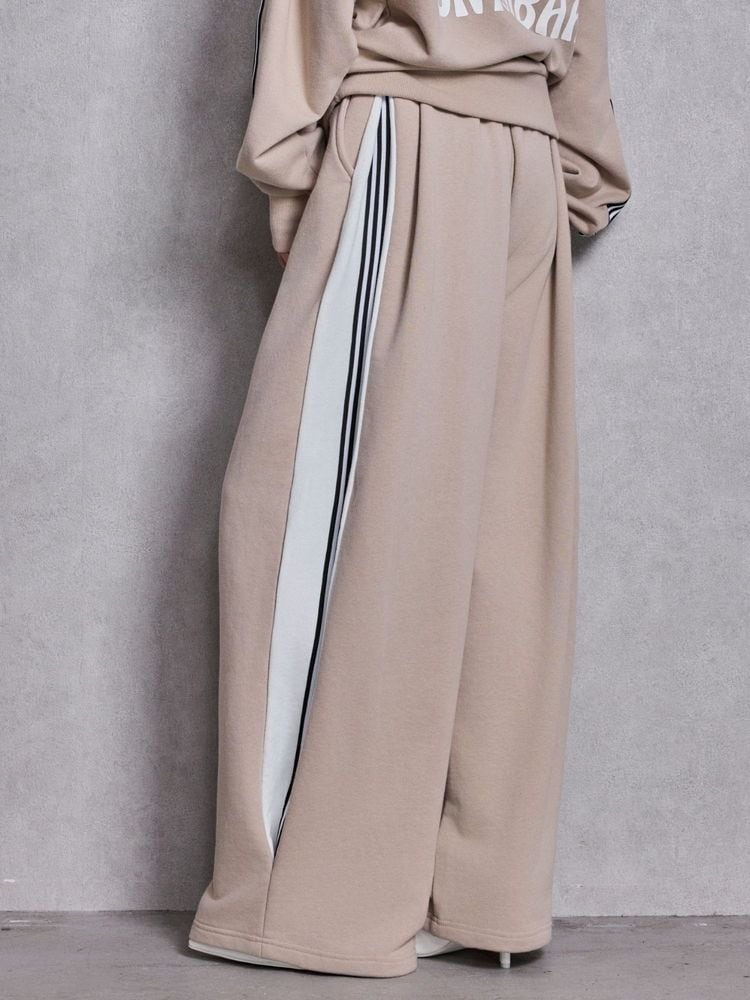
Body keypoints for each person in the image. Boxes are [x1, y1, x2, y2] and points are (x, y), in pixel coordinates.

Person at [188, 0, 631, 979]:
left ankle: (306, 906)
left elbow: (307, 27)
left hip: (405, 134)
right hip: (530, 154)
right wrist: (570, 174)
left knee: (321, 520)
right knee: (498, 533)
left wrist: (297, 179)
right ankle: (478, 892)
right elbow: (586, 57)